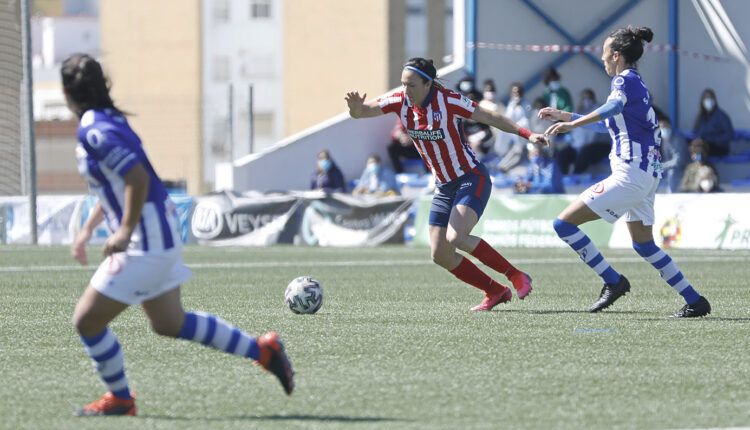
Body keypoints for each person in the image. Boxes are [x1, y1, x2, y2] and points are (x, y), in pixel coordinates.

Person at [62, 54, 294, 417]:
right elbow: (118, 182)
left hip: (146, 240)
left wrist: (123, 230)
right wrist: (88, 230)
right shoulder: (108, 120)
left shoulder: (94, 128)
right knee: (170, 323)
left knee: (87, 320)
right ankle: (263, 351)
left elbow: (137, 180)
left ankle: (120, 398)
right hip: (159, 231)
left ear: (67, 93)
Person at [345, 57, 548, 311]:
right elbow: (363, 112)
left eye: (411, 85)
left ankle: (515, 275)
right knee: (439, 253)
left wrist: (528, 135)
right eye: (403, 85)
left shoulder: (449, 101)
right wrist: (355, 108)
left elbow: (491, 117)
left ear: (428, 84)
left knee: (456, 237)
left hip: (471, 177)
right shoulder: (400, 100)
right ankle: (495, 291)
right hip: (443, 185)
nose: (405, 91)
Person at [540, 26, 711, 317]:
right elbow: (608, 121)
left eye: (605, 53)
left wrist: (572, 126)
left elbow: (613, 107)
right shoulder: (637, 84)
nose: (603, 59)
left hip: (630, 175)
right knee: (644, 245)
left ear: (616, 55)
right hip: (646, 176)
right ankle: (695, 300)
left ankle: (613, 281)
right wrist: (566, 116)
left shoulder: (623, 81)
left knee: (563, 225)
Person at [496, 82, 532, 174]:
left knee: (517, 152)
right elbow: (508, 118)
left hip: (521, 135)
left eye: (518, 92)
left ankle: (505, 167)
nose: (516, 94)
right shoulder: (511, 104)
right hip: (510, 133)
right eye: (514, 92)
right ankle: (501, 165)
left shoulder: (526, 104)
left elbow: (526, 121)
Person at [692, 88, 734, 157]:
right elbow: (695, 132)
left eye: (710, 98)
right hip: (703, 144)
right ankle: (696, 166)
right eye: (706, 98)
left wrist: (712, 139)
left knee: (701, 149)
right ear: (702, 101)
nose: (708, 101)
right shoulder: (700, 117)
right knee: (692, 146)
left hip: (719, 147)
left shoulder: (722, 116)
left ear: (714, 100)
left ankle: (706, 166)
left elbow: (729, 135)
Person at [659, 116, 689, 193]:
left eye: (665, 126)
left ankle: (673, 196)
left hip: (681, 168)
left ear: (670, 126)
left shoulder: (678, 139)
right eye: (661, 127)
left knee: (672, 173)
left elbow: (679, 160)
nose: (663, 129)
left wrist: (662, 166)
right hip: (667, 167)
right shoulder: (662, 139)